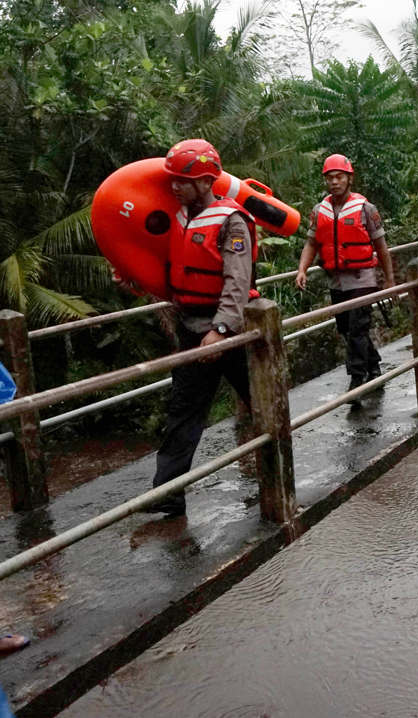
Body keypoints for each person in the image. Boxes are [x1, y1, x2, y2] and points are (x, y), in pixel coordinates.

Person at [147, 139, 257, 518]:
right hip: (192, 329)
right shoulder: (178, 217)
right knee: (183, 410)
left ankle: (279, 469)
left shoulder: (232, 221)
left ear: (207, 182)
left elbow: (237, 281)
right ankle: (167, 493)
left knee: (261, 401)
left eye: (183, 180)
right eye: (173, 179)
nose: (175, 186)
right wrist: (133, 278)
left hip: (233, 332)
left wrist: (221, 330)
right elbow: (172, 271)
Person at [296, 154, 396, 393]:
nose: (334, 182)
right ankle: (374, 366)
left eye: (339, 177)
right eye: (330, 177)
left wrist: (390, 280)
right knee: (345, 328)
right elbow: (311, 243)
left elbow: (381, 247)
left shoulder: (365, 209)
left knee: (357, 328)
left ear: (349, 178)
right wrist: (302, 270)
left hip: (363, 277)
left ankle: (356, 380)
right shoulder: (319, 210)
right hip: (337, 280)